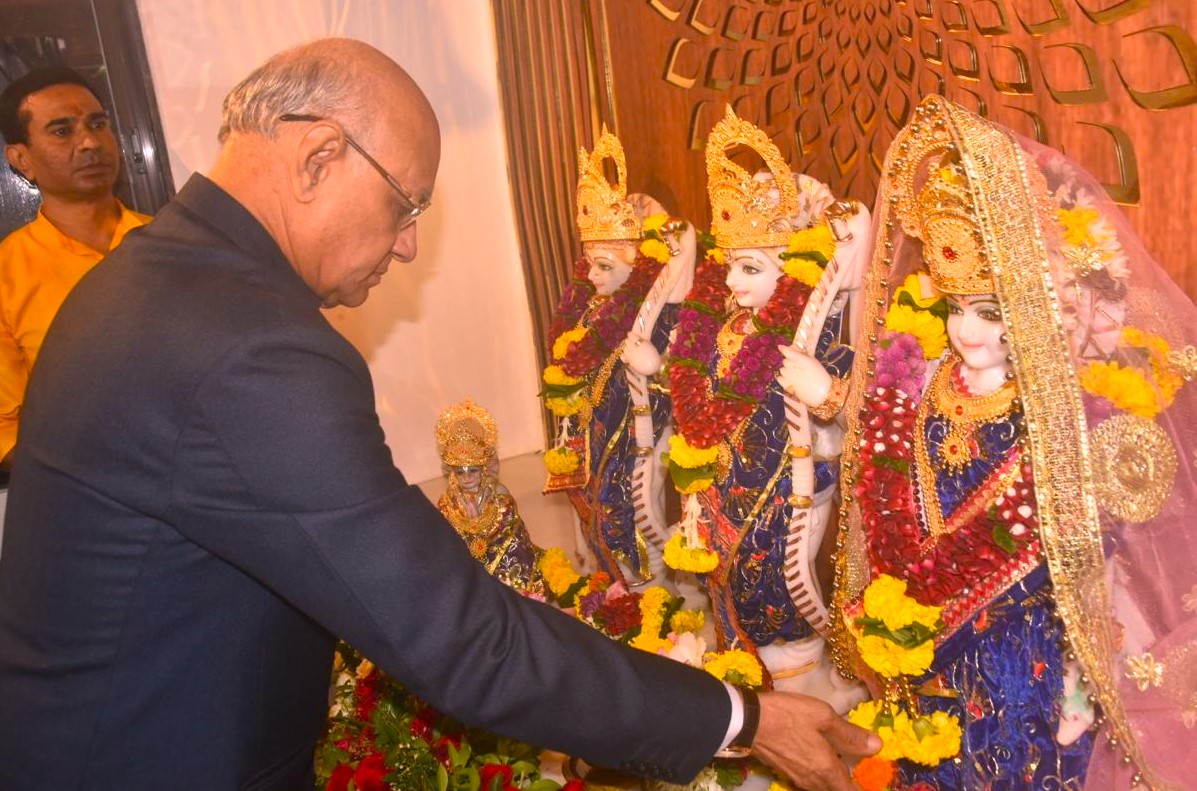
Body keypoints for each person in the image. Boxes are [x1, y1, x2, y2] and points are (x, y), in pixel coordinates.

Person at [0, 39, 877, 790]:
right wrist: (744, 719)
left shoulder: (152, 277)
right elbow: (466, 646)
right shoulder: (247, 344)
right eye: (405, 205)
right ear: (318, 157)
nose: (407, 242)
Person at [815, 95, 1197, 788]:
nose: (967, 331)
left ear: (1029, 307)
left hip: (1030, 640)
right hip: (933, 634)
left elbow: (1090, 547)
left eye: (989, 314)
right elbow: (891, 488)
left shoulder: (1055, 405)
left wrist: (1085, 674)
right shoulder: (924, 381)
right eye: (956, 309)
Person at [662, 108, 868, 714]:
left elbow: (857, 417)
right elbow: (697, 409)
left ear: (793, 269)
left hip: (789, 492)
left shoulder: (819, 327)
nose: (732, 280)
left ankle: (797, 699)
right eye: (729, 264)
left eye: (750, 268)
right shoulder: (721, 322)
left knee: (775, 591)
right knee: (727, 584)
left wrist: (822, 389)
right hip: (724, 487)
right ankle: (742, 689)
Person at [0, 67, 149, 539]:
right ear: (20, 158)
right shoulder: (7, 275)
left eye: (98, 124)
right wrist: (89, 483)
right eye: (62, 130)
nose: (89, 143)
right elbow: (4, 427)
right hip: (88, 521)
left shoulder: (173, 244)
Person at [542, 129, 693, 589]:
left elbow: (686, 382)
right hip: (593, 436)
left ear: (639, 265)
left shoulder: (660, 315)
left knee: (627, 512)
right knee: (595, 515)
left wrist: (657, 368)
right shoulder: (587, 305)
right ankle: (616, 590)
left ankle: (648, 597)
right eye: (589, 262)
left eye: (604, 265)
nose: (591, 275)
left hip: (641, 438)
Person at [435, 398, 544, 595]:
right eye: (460, 472)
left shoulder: (500, 497)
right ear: (452, 473)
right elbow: (444, 540)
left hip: (500, 561)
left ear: (484, 470)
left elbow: (511, 535)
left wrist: (479, 523)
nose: (467, 478)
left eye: (473, 471)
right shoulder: (447, 503)